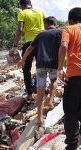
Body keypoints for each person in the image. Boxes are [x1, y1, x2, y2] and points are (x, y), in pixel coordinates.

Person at [18, 16, 62, 125]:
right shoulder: (60, 33)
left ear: (46, 24)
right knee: (53, 81)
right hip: (54, 64)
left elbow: (30, 48)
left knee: (40, 90)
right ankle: (50, 100)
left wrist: (23, 60)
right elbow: (64, 47)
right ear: (55, 24)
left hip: (41, 65)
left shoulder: (41, 34)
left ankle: (39, 117)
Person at [10, 0, 46, 100]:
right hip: (41, 42)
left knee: (26, 69)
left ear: (22, 5)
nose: (20, 8)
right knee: (41, 68)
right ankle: (40, 92)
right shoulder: (41, 11)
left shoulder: (22, 13)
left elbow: (20, 30)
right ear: (31, 4)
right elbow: (48, 25)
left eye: (20, 7)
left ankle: (29, 94)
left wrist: (15, 46)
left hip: (29, 43)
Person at [58, 7, 81, 150]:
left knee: (71, 111)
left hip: (75, 75)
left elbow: (63, 46)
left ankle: (72, 145)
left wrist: (60, 67)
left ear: (71, 20)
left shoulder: (69, 29)